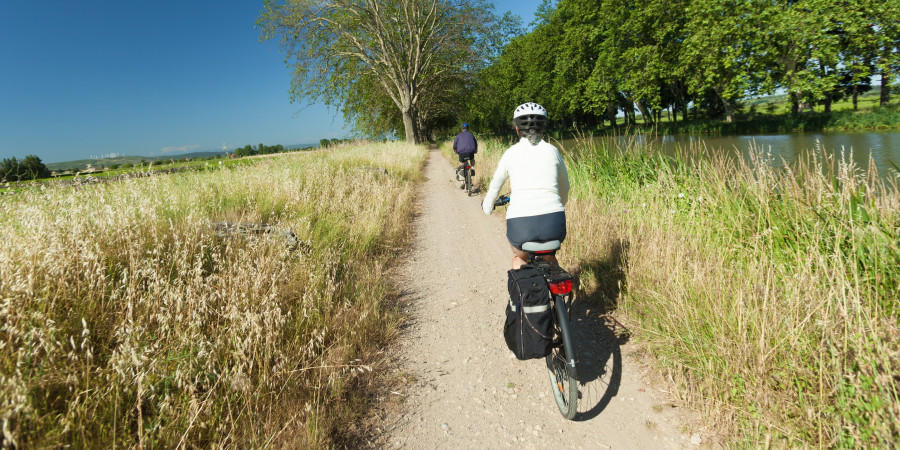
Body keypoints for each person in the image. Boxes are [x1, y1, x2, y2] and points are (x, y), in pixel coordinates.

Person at [482, 102, 569, 270]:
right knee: (549, 256)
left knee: (519, 257)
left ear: (517, 129)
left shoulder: (510, 153)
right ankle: (557, 290)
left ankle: (520, 296)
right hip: (554, 221)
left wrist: (487, 207)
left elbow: (495, 186)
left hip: (521, 224)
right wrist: (560, 204)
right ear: (543, 128)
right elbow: (565, 186)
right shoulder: (552, 151)